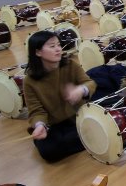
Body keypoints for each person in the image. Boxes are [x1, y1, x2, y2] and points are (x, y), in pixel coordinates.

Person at [23, 30, 97, 162]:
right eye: (52, 46)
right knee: (49, 152)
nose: (58, 49)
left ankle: (87, 138)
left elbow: (90, 83)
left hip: (79, 116)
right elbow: (36, 111)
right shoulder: (29, 81)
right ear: (38, 52)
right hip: (55, 124)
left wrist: (80, 90)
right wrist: (40, 125)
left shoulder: (70, 65)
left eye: (58, 45)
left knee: (100, 126)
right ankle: (88, 139)